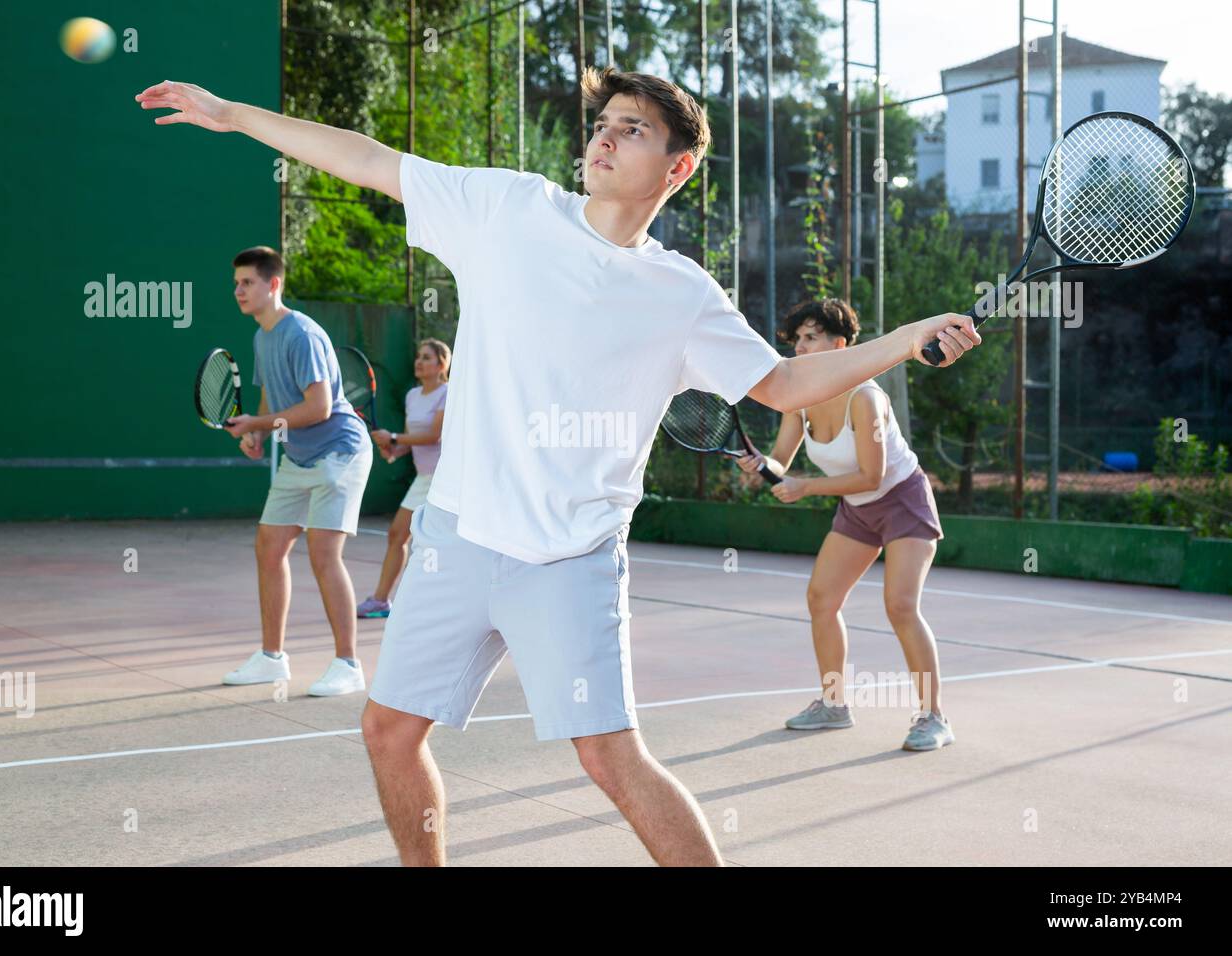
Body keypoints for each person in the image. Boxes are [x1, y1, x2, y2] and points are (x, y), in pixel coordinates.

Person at [136, 67, 979, 866]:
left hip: (571, 559)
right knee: (388, 729)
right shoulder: (507, 207)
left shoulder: (682, 293)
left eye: (633, 129)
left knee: (611, 757)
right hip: (456, 538)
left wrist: (902, 341)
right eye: (602, 125)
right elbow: (367, 157)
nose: (604, 140)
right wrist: (236, 116)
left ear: (677, 167)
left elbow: (785, 381)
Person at [737, 299, 952, 751]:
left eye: (810, 338)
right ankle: (834, 705)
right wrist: (761, 464)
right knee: (821, 599)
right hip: (857, 507)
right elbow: (781, 459)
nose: (799, 348)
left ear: (840, 344)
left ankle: (933, 717)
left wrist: (804, 488)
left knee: (900, 605)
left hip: (902, 501)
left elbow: (872, 477)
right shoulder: (799, 399)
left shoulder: (866, 399)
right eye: (796, 340)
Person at [218, 246, 372, 697]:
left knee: (324, 553)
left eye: (247, 282)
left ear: (274, 285)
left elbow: (319, 407)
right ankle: (272, 659)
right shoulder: (262, 336)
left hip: (339, 452)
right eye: (236, 284)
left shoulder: (300, 333)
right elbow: (271, 398)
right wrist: (259, 433)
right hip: (299, 455)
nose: (239, 291)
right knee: (269, 547)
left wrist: (259, 423)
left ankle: (348, 664)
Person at [357, 338, 451, 619]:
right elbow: (413, 441)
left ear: (441, 365)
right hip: (423, 477)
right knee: (397, 534)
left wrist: (395, 436)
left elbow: (435, 436)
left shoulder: (448, 393)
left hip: (445, 479)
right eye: (418, 356)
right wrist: (394, 449)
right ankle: (381, 601)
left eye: (426, 357)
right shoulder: (412, 396)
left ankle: (445, 603)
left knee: (440, 542)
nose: (419, 362)